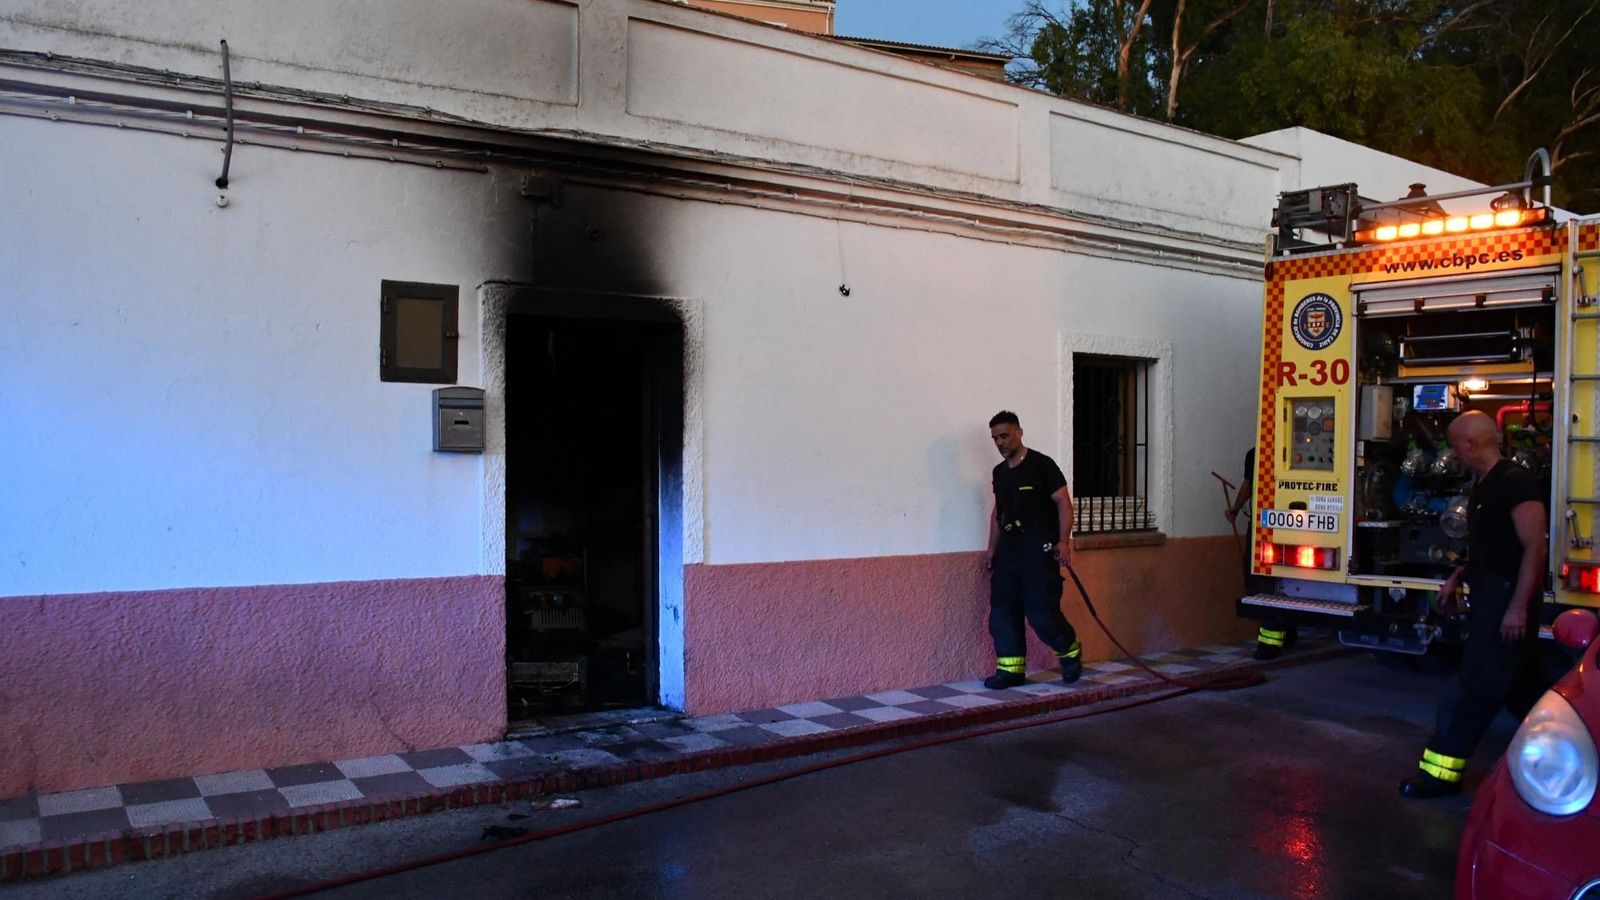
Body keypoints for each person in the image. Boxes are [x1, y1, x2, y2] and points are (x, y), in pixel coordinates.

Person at [1400, 410, 1551, 799]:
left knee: (1469, 692)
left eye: (1454, 444)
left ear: (1471, 444)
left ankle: (1439, 776)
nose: (1453, 453)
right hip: (1489, 597)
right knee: (1525, 692)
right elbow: (1488, 548)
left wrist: (1517, 607)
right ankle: (1567, 752)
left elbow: (1535, 549)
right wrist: (1456, 577)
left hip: (1506, 603)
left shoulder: (1516, 483)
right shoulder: (1484, 485)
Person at [982, 410, 1083, 689]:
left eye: (1004, 435)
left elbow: (1063, 503)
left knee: (1041, 612)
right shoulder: (999, 473)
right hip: (1009, 552)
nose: (1000, 442)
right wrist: (991, 549)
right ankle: (1010, 671)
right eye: (995, 438)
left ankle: (1069, 651)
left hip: (1037, 549)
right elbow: (998, 513)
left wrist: (1064, 541)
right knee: (1003, 611)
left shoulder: (1042, 465)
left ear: (1019, 432)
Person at [1225, 447, 1299, 660]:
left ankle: (1269, 644)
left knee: (1262, 583)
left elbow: (1249, 485)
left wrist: (1235, 509)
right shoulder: (1290, 451)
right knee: (1285, 580)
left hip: (1264, 526)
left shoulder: (1257, 453)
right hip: (1291, 524)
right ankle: (1288, 633)